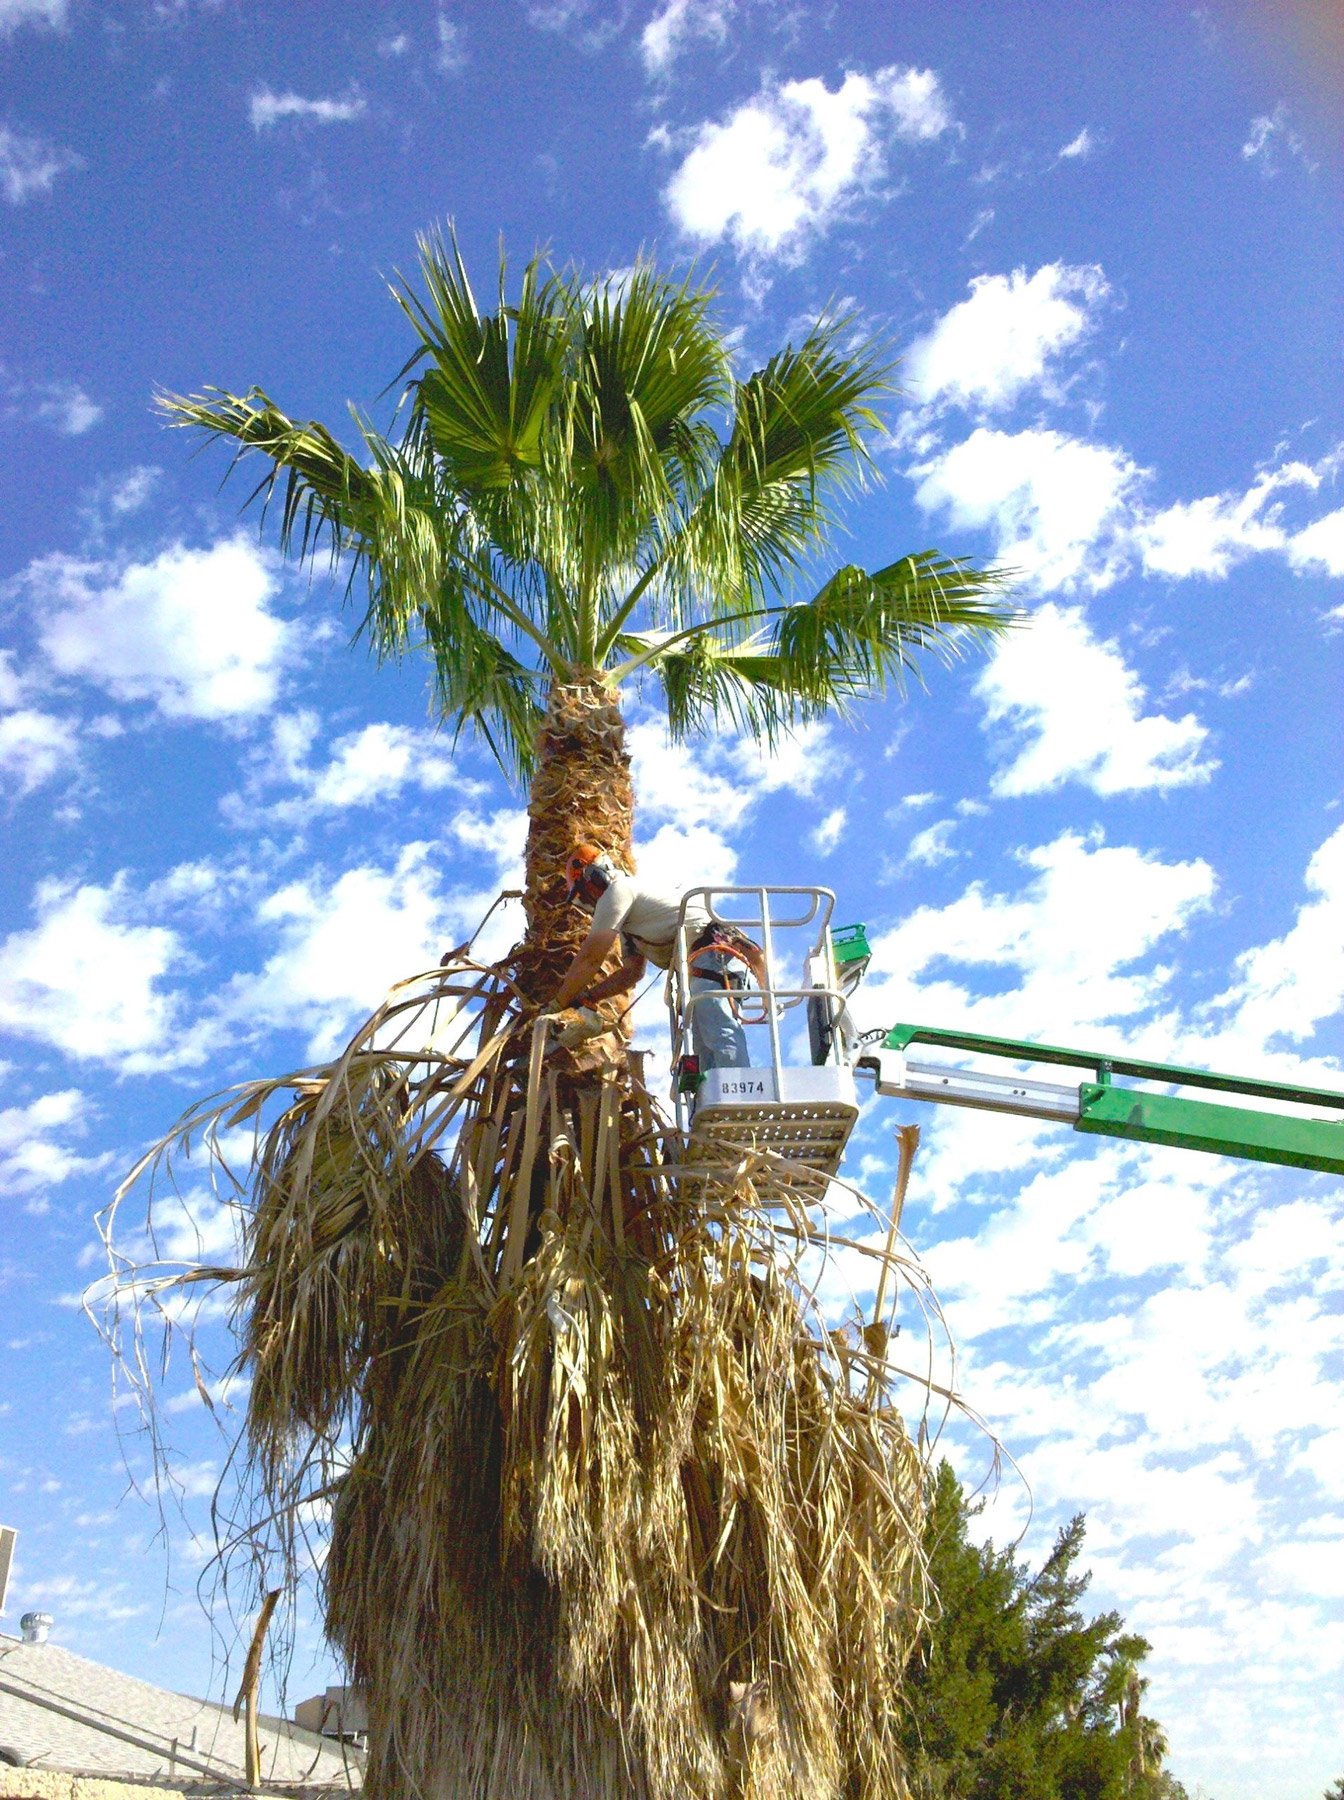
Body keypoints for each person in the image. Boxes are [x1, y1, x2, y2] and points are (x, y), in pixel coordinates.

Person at [551, 845, 765, 1072]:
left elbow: (590, 959)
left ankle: (738, 1094)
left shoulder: (619, 890)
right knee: (702, 1046)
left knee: (718, 1031)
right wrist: (589, 996)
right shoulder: (630, 925)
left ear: (595, 876)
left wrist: (558, 1003)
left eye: (585, 892)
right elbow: (632, 972)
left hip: (714, 956)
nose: (589, 900)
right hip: (704, 967)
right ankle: (714, 1100)